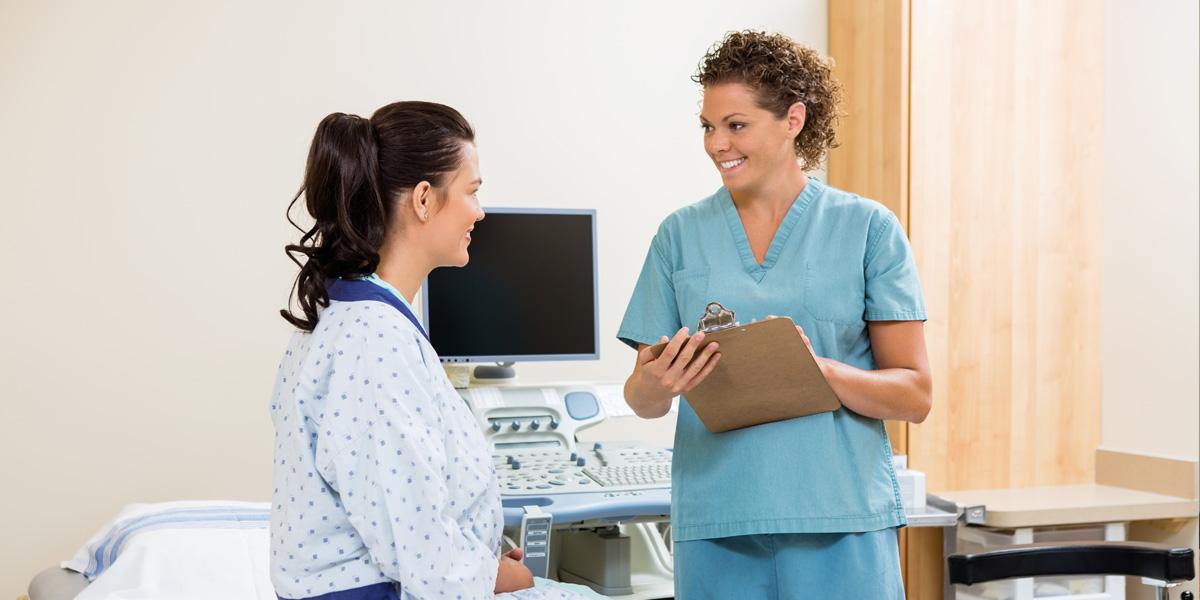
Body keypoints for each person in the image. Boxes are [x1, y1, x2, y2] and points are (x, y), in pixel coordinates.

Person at [617, 31, 932, 599]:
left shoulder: (868, 229)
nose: (717, 144)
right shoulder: (679, 237)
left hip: (840, 519)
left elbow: (914, 395)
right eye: (708, 127)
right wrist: (656, 382)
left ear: (793, 120)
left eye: (735, 125)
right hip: (718, 523)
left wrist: (814, 370)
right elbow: (643, 402)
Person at [271, 102, 600, 600]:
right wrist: (501, 576)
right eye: (472, 191)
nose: (480, 211)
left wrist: (481, 555)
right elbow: (427, 562)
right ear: (424, 200)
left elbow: (405, 511)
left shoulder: (360, 318)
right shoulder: (372, 340)